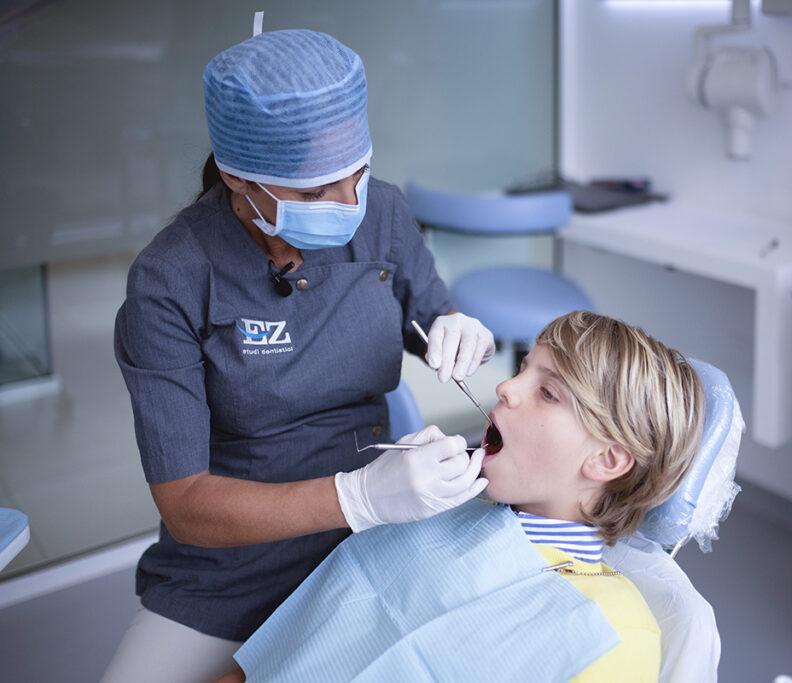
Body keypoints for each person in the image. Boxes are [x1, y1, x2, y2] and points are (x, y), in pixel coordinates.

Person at [103, 20, 494, 683]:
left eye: (358, 173)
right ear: (237, 177)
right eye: (315, 191)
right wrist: (358, 496)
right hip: (229, 560)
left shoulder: (386, 214)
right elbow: (186, 503)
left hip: (373, 545)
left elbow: (432, 311)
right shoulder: (171, 279)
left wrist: (457, 324)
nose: (350, 205)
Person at [213, 310, 706, 682]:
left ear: (607, 461)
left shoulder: (615, 632)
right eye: (524, 369)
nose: (506, 387)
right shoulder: (429, 510)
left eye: (548, 392)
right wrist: (363, 496)